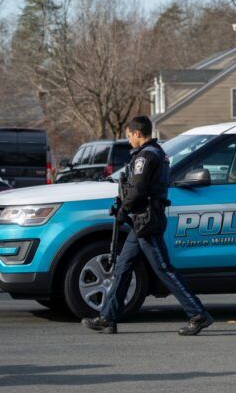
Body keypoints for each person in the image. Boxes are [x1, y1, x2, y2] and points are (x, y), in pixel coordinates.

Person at [82, 116, 213, 336]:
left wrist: (123, 209)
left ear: (137, 133)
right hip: (142, 220)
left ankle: (198, 314)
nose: (129, 140)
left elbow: (139, 189)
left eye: (129, 136)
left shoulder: (146, 156)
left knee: (163, 269)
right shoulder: (157, 152)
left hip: (146, 220)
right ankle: (108, 318)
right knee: (123, 267)